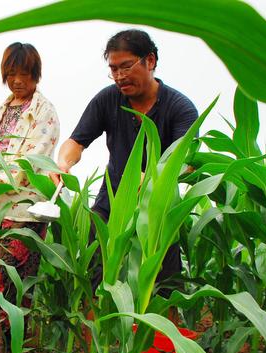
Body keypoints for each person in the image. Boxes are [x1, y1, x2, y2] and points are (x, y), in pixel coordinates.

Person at [54, 29, 198, 299]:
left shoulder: (180, 108)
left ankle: (158, 339)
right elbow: (76, 141)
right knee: (93, 274)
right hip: (112, 202)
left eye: (126, 66)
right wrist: (62, 163)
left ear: (150, 61)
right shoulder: (108, 99)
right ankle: (97, 338)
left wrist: (153, 177)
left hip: (159, 213)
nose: (119, 76)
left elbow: (187, 162)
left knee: (163, 288)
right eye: (113, 69)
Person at [0, 42, 59, 307]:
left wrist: (4, 181)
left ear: (36, 74)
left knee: (13, 285)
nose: (17, 81)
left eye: (25, 74)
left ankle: (6, 347)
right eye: (11, 74)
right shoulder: (4, 109)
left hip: (23, 211)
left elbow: (34, 155)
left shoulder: (44, 112)